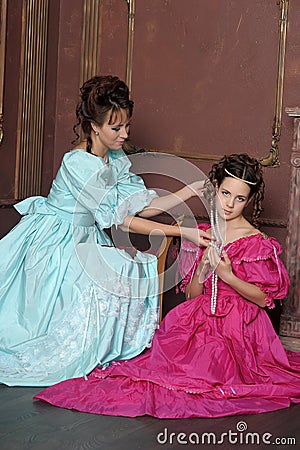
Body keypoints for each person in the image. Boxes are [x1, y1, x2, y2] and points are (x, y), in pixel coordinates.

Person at [34, 153, 300, 418]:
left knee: (215, 365)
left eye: (240, 198)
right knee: (172, 366)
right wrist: (203, 270)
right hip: (201, 318)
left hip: (241, 326)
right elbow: (191, 295)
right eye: (225, 193)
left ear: (250, 200)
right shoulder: (203, 233)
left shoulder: (258, 242)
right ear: (215, 189)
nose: (230, 204)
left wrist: (229, 276)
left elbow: (263, 298)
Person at [0, 75, 211, 387]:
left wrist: (189, 190)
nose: (124, 134)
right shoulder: (78, 163)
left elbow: (138, 207)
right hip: (56, 238)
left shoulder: (114, 156)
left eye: (127, 126)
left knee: (126, 271)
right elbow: (121, 222)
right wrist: (184, 233)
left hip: (85, 237)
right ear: (94, 126)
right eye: (116, 128)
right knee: (96, 288)